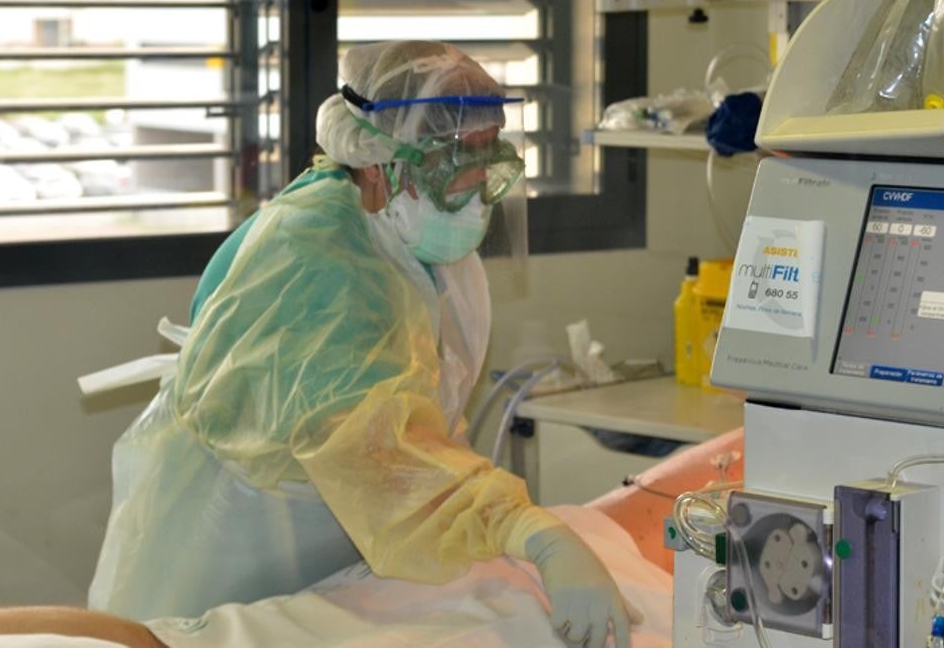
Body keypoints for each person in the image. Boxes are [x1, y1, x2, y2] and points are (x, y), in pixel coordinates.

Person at [88, 41, 639, 647]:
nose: (480, 184)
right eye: (458, 162)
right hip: (238, 544)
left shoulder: (415, 236)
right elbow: (381, 445)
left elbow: (412, 424)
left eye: (489, 157)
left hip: (345, 539)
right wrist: (531, 531)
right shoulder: (318, 262)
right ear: (379, 162)